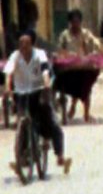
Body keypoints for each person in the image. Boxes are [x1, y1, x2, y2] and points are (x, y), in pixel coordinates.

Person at [5, 31, 72, 175]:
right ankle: (22, 155)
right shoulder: (15, 56)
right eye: (21, 44)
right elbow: (8, 73)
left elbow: (45, 72)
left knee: (51, 121)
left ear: (33, 45)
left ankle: (59, 154)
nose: (23, 46)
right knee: (21, 121)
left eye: (26, 44)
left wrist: (46, 85)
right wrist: (7, 89)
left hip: (38, 90)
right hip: (21, 93)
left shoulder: (39, 55)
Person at [55, 9, 103, 123]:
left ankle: (86, 113)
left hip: (84, 67)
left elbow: (95, 43)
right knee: (73, 82)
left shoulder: (86, 34)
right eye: (73, 22)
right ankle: (73, 105)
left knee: (86, 84)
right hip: (69, 69)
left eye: (78, 22)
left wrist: (98, 50)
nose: (76, 24)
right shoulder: (64, 35)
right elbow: (60, 51)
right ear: (70, 22)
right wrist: (67, 55)